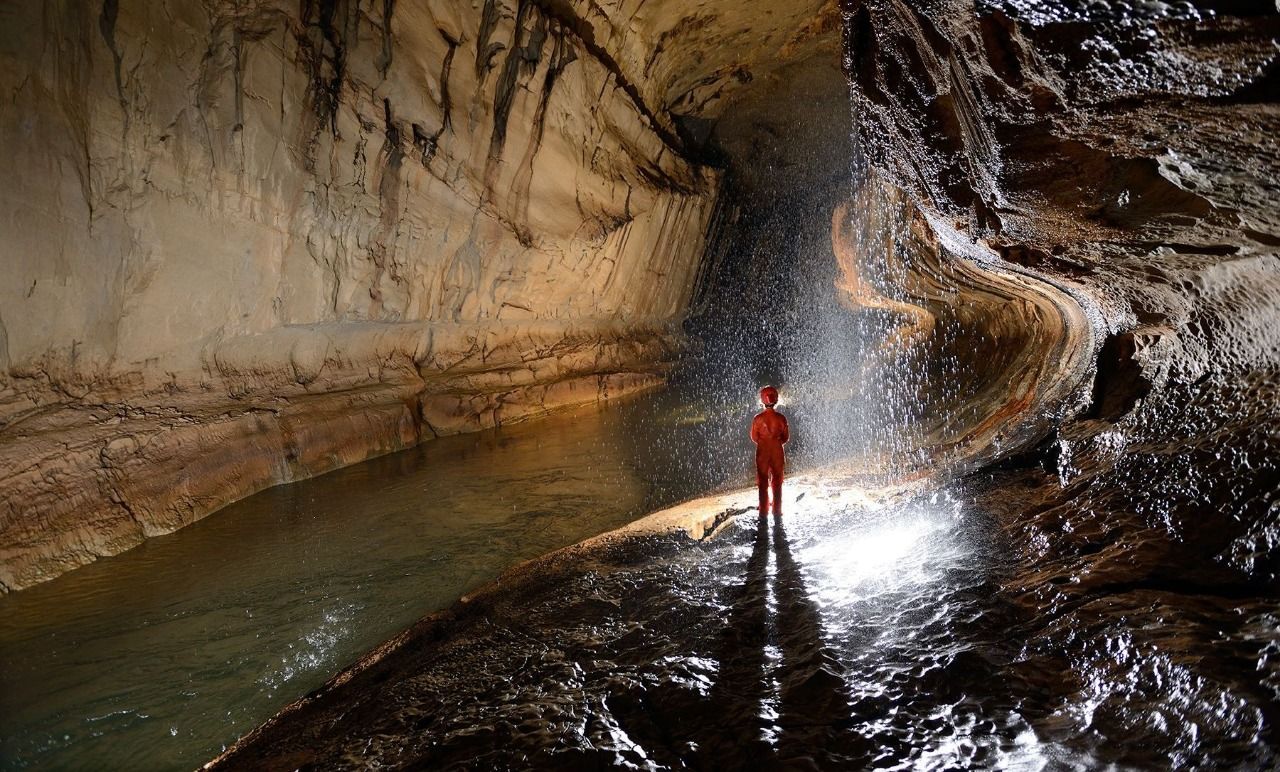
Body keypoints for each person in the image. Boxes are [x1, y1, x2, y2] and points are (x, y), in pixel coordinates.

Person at [750, 385, 789, 516]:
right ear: (776, 400)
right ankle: (777, 510)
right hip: (777, 451)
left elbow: (754, 437)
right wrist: (776, 442)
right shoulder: (781, 418)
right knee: (777, 481)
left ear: (762, 401)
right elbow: (785, 438)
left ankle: (763, 509)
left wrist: (764, 442)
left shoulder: (757, 419)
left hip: (762, 452)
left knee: (762, 481)